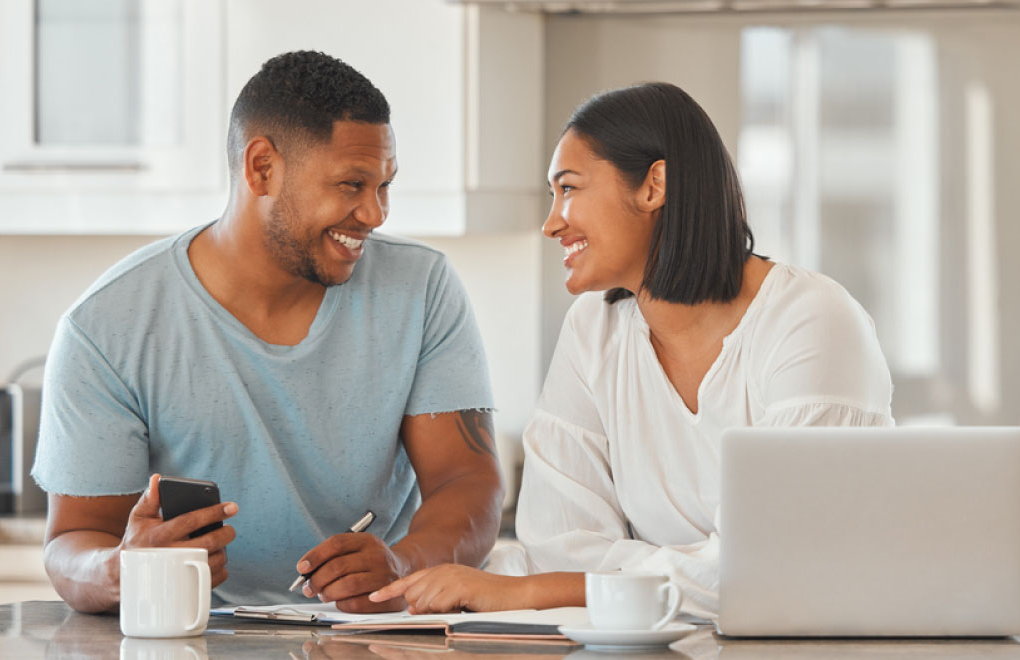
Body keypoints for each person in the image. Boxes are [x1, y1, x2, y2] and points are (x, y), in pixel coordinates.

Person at [368, 82, 893, 619]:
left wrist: (536, 591)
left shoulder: (810, 320)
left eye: (568, 189)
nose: (552, 222)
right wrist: (702, 570)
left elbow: (780, 569)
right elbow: (558, 543)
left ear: (653, 185)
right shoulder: (594, 329)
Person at [32, 51, 502, 614]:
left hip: (373, 635)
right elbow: (71, 543)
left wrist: (405, 562)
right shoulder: (105, 327)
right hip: (195, 635)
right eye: (353, 184)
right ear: (261, 168)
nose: (376, 214)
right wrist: (121, 569)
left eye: (384, 186)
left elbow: (468, 483)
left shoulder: (422, 288)